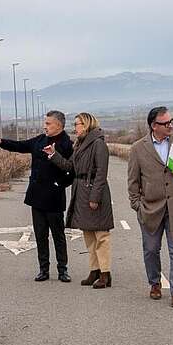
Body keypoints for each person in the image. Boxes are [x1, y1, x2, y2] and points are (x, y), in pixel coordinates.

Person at [0, 110, 74, 282]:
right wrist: (1, 142)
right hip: (37, 196)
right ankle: (43, 269)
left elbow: (71, 170)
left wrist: (60, 184)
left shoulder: (67, 144)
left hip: (54, 198)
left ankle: (62, 269)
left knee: (58, 236)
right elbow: (20, 146)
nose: (45, 126)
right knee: (40, 235)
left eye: (48, 123)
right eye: (45, 123)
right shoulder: (40, 140)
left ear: (59, 124)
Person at [126, 106, 173, 308]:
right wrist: (137, 204)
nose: (170, 126)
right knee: (150, 249)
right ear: (153, 125)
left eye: (171, 121)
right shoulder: (138, 148)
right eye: (166, 123)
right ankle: (155, 283)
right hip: (150, 207)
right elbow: (133, 181)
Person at [43, 112, 115, 289]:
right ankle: (94, 270)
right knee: (89, 234)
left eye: (77, 124)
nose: (74, 128)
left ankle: (105, 273)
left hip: (94, 191)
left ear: (86, 125)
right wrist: (53, 155)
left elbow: (101, 173)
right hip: (81, 191)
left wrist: (95, 197)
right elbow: (70, 167)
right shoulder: (80, 144)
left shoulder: (98, 144)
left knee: (101, 235)